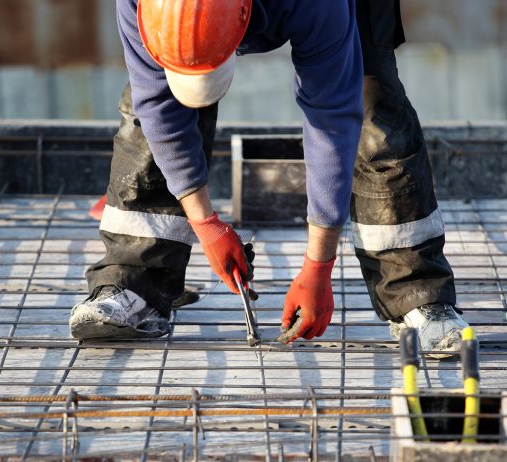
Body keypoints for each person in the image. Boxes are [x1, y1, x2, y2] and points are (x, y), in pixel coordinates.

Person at [70, 0, 468, 357]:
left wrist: (318, 267)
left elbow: (332, 119)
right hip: (190, 18)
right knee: (149, 112)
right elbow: (159, 105)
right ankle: (132, 283)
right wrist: (205, 223)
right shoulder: (139, 5)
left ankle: (418, 293)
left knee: (371, 105)